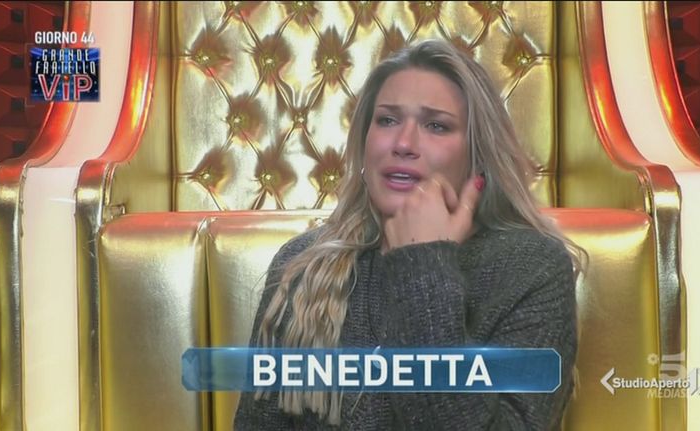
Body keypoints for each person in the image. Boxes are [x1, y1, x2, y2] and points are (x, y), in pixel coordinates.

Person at [234, 39, 583, 430]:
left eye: (436, 126)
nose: (403, 143)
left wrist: (423, 265)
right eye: (387, 120)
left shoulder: (531, 269)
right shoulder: (304, 265)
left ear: (478, 156)